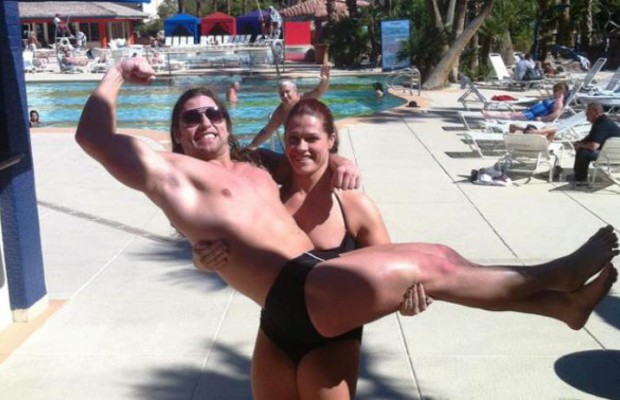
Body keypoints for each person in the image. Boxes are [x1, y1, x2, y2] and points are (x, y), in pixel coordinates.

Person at [76, 58, 618, 394]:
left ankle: (560, 304)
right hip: (291, 295)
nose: (204, 122)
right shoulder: (170, 173)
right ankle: (555, 276)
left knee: (439, 264)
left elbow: (307, 152)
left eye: (212, 113)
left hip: (317, 287)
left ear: (226, 122)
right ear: (176, 133)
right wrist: (118, 72)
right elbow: (93, 137)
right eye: (190, 118)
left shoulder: (255, 166)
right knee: (435, 260)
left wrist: (339, 160)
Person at [193, 98, 430, 399]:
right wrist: (202, 260)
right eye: (293, 139)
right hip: (274, 335)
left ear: (331, 139)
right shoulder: (269, 199)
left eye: (312, 138)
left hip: (333, 341)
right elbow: (227, 247)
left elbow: (392, 270)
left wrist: (407, 300)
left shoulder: (353, 206)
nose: (301, 147)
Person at [247, 64, 330, 149]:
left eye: (287, 92)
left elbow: (319, 91)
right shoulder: (280, 112)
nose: (285, 96)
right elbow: (267, 131)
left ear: (295, 91)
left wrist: (325, 79)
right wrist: (252, 146)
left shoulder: (304, 99)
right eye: (282, 94)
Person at [568, 102, 620, 187]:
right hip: (614, 154)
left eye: (588, 111)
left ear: (595, 112)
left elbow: (594, 146)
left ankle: (580, 179)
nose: (586, 114)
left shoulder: (601, 125)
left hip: (610, 156)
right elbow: (591, 137)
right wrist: (580, 142)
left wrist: (581, 145)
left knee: (584, 152)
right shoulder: (601, 121)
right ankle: (578, 175)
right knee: (581, 147)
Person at [483, 82, 569, 122]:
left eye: (555, 90)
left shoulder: (559, 102)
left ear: (561, 91)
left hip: (532, 115)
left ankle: (489, 115)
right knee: (511, 114)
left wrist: (542, 119)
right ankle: (489, 115)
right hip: (531, 112)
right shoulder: (556, 99)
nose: (553, 92)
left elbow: (555, 114)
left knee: (511, 115)